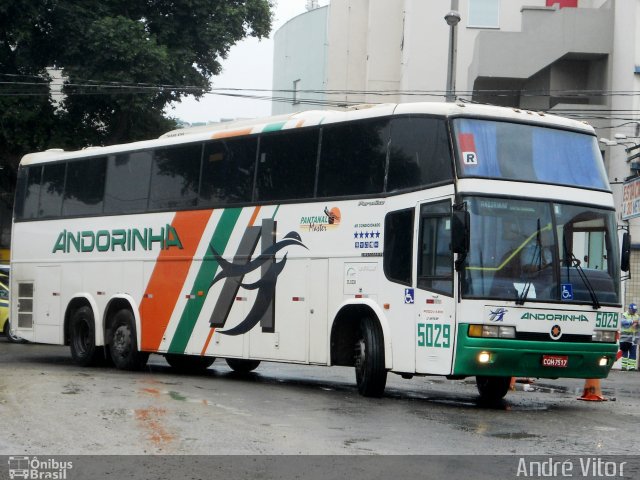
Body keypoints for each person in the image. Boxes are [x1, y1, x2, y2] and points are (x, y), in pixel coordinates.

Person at [620, 303, 639, 371]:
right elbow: (622, 322)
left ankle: (631, 367)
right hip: (625, 338)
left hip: (634, 339)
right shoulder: (624, 315)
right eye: (633, 310)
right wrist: (632, 321)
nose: (634, 312)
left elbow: (638, 322)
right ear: (629, 309)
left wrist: (637, 323)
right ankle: (624, 367)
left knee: (633, 353)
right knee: (625, 352)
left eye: (635, 310)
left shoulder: (637, 316)